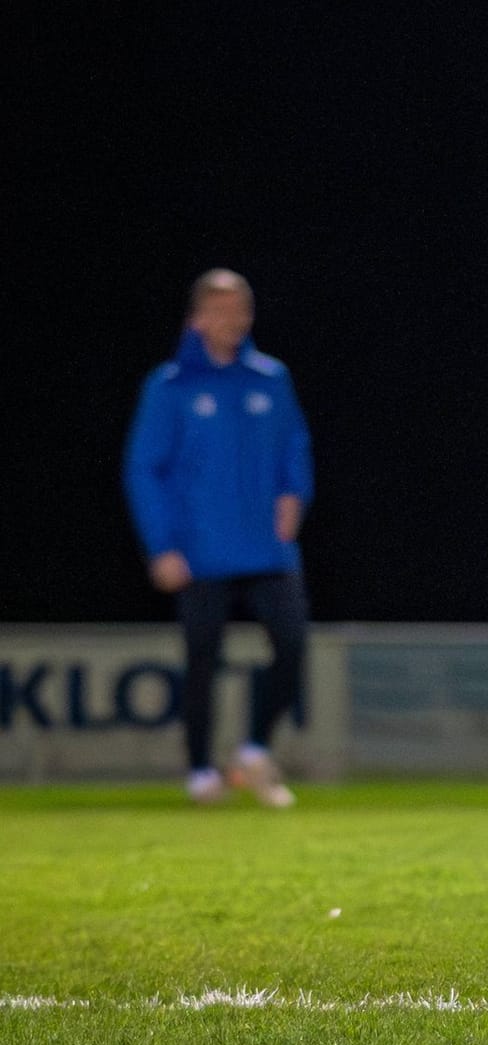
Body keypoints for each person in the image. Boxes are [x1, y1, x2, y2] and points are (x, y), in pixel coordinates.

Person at [123, 269, 311, 807]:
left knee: (293, 645)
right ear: (198, 317)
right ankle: (201, 769)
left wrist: (294, 494)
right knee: (203, 658)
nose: (235, 320)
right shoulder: (169, 386)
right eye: (222, 310)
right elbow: (143, 469)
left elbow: (295, 445)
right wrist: (162, 546)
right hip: (201, 552)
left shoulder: (271, 379)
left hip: (268, 547)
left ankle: (253, 750)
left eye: (243, 308)